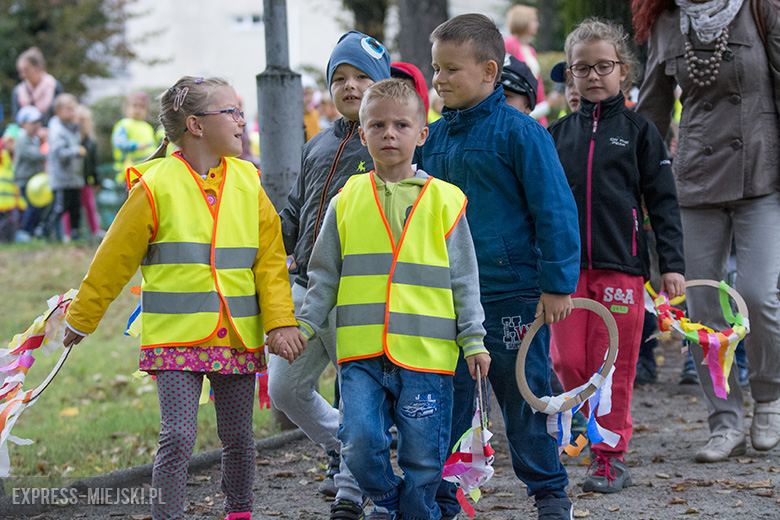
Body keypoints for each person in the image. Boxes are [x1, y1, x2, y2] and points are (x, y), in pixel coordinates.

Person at [61, 75, 305, 520]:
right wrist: (82, 317)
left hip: (234, 335)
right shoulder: (154, 186)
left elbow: (269, 261)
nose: (241, 120)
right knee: (176, 437)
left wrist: (280, 322)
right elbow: (113, 259)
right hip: (174, 339)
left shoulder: (249, 182)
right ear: (195, 125)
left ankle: (239, 512)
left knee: (238, 437)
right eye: (230, 112)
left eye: (239, 110)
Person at [284, 77, 490, 520]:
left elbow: (464, 279)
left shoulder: (446, 201)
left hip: (426, 356)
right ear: (362, 134)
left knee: (423, 458)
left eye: (401, 125)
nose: (389, 134)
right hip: (360, 353)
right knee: (358, 443)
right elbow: (323, 276)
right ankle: (395, 503)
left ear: (422, 134)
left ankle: (416, 513)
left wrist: (474, 339)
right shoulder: (346, 200)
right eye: (376, 126)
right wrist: (305, 325)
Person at [416, 14, 581, 520]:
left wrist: (556, 284)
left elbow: (554, 208)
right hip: (445, 299)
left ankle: (550, 495)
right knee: (446, 399)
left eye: (451, 70)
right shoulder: (432, 139)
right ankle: (444, 496)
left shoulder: (522, 134)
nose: (439, 79)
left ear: (489, 71)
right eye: (435, 68)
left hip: (512, 293)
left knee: (522, 394)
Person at [633, 0, 780, 462]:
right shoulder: (667, 22)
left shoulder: (762, 8)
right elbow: (654, 106)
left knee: (758, 295)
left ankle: (769, 398)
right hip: (694, 177)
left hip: (762, 171)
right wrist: (635, 178)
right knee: (702, 306)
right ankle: (725, 420)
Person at [547, 18, 686, 493]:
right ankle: (582, 433)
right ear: (569, 74)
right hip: (565, 273)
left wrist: (672, 265)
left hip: (621, 269)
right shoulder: (556, 134)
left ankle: (610, 456)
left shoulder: (641, 132)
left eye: (603, 66)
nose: (592, 76)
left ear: (623, 71)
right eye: (581, 68)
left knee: (613, 364)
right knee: (567, 361)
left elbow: (663, 201)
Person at [270, 30, 391, 520]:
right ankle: (349, 448)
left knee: (355, 383)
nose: (350, 86)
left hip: (357, 290)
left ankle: (352, 487)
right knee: (285, 387)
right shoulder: (317, 143)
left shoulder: (385, 143)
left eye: (363, 77)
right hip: (306, 287)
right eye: (340, 77)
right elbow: (297, 207)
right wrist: (274, 244)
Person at [43, 93, 85, 242]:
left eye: (74, 108)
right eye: (68, 109)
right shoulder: (56, 129)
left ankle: (75, 234)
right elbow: (58, 152)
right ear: (58, 111)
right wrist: (76, 151)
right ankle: (45, 232)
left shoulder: (72, 127)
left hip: (74, 178)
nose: (72, 112)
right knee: (59, 207)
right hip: (61, 178)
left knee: (75, 208)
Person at [504, 5, 550, 125]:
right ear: (523, 21)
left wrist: (542, 108)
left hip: (532, 107)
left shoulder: (530, 50)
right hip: (516, 109)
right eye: (534, 20)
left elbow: (537, 82)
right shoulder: (508, 44)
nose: (537, 24)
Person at [62, 105, 101, 240]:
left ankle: (95, 231)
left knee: (90, 205)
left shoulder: (90, 142)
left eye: (84, 120)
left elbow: (94, 163)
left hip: (85, 180)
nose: (81, 123)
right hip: (72, 180)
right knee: (70, 207)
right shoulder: (71, 140)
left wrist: (97, 180)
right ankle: (68, 233)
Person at [12, 106, 46, 242]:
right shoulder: (22, 138)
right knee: (31, 206)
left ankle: (33, 231)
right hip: (25, 179)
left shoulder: (35, 139)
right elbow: (34, 155)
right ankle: (24, 232)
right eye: (32, 123)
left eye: (38, 122)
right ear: (23, 124)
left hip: (36, 180)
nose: (36, 126)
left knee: (37, 207)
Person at [11, 47, 65, 126]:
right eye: (21, 71)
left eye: (26, 70)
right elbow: (16, 122)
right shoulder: (18, 92)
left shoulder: (54, 87)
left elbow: (63, 117)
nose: (22, 75)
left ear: (38, 68)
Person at [111, 91, 157, 181]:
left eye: (141, 107)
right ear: (126, 108)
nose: (137, 110)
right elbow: (119, 142)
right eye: (134, 105)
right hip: (129, 173)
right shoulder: (124, 125)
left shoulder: (148, 127)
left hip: (147, 172)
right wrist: (135, 145)